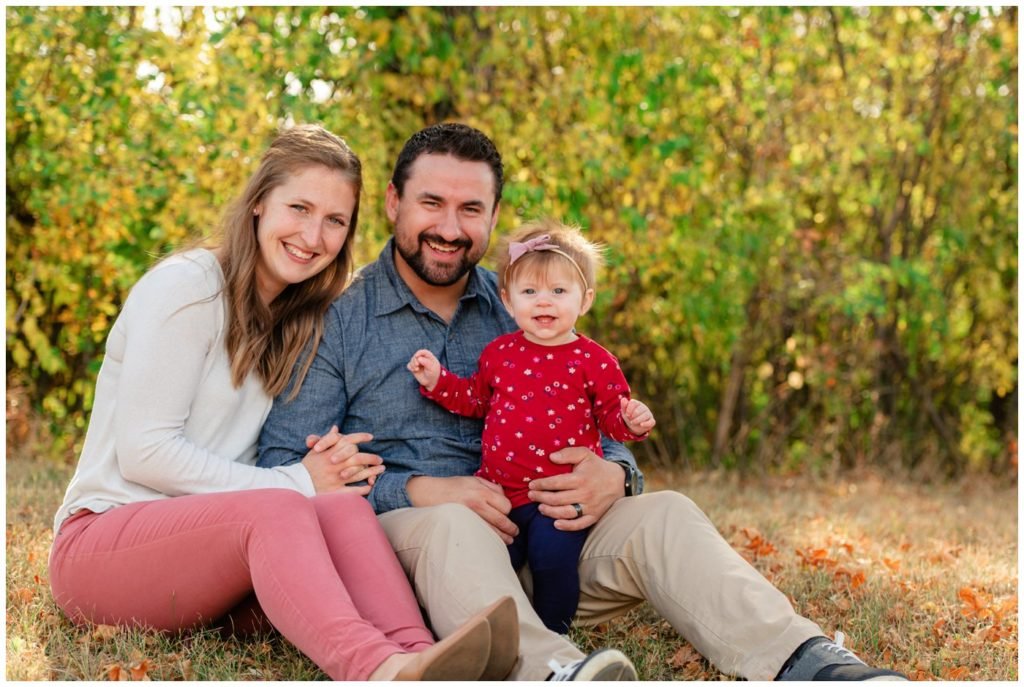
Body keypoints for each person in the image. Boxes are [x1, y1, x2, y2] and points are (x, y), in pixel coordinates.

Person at [258, 122, 907, 681]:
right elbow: (284, 465)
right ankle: (554, 670)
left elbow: (597, 409)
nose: (450, 228)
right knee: (454, 525)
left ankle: (808, 660)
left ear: (494, 213)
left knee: (666, 513)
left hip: (546, 541)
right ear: (395, 202)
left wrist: (613, 471)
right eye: (432, 203)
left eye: (472, 209)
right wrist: (419, 489)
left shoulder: (528, 299)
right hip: (416, 551)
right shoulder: (336, 318)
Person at [48, 123, 519, 682]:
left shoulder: (299, 318)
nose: (313, 235)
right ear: (258, 204)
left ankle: (419, 655)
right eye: (298, 207)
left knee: (341, 505)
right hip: (105, 545)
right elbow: (145, 453)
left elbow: (304, 470)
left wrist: (332, 465)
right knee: (287, 504)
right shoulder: (189, 287)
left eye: (335, 221)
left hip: (217, 557)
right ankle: (376, 669)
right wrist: (300, 480)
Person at [407, 220, 655, 635]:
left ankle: (554, 633)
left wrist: (632, 421)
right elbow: (475, 400)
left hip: (555, 498)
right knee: (490, 560)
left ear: (585, 299)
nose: (544, 302)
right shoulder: (499, 354)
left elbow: (612, 417)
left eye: (559, 292)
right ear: (507, 299)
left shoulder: (594, 360)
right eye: (530, 292)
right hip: (500, 493)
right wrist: (438, 382)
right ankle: (493, 631)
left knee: (550, 558)